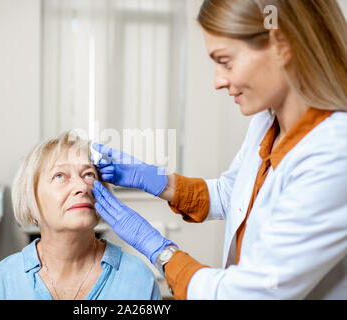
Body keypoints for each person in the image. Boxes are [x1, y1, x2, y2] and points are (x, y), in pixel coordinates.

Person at [91, 0, 347, 299]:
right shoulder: (267, 121)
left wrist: (160, 252)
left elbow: (248, 294)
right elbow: (233, 194)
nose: (218, 81)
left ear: (282, 44)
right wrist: (158, 181)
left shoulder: (334, 153)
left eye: (225, 61)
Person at [0, 132, 161, 300]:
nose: (81, 187)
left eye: (88, 174)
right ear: (30, 199)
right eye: (60, 176)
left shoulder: (139, 280)